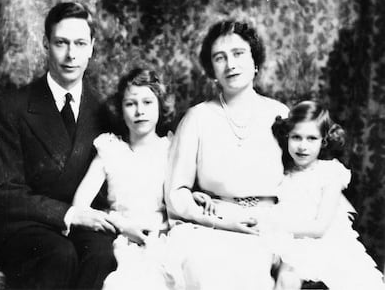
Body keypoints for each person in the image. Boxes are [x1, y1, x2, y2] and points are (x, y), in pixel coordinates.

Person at [0, 2, 117, 289]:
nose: (71, 55)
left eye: (80, 43)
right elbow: (7, 194)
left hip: (85, 222)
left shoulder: (106, 111)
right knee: (59, 254)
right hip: (27, 225)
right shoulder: (12, 106)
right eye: (61, 43)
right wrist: (69, 214)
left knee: (101, 254)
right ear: (46, 44)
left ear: (92, 47)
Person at [165, 20, 290, 289]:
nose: (230, 64)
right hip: (215, 224)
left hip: (269, 223)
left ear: (255, 61)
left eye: (238, 54)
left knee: (256, 270)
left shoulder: (279, 114)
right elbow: (176, 193)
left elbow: (300, 178)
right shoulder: (197, 118)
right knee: (209, 269)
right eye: (220, 58)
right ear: (212, 70)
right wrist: (222, 220)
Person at [72, 67, 176, 290]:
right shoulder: (110, 149)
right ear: (121, 109)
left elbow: (180, 196)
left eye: (148, 102)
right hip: (124, 241)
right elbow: (79, 206)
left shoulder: (171, 149)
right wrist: (122, 226)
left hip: (164, 240)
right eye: (131, 104)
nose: (140, 111)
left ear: (160, 105)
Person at [269, 100, 385, 290]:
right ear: (286, 136)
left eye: (311, 138)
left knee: (359, 281)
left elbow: (320, 228)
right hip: (292, 242)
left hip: (327, 243)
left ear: (324, 140)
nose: (302, 146)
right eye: (296, 137)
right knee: (287, 278)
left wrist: (275, 226)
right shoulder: (283, 173)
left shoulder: (330, 173)